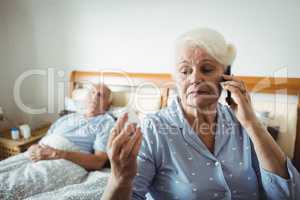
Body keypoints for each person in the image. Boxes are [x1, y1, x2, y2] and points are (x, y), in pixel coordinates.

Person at [101, 28, 300, 200]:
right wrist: (119, 179)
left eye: (206, 69)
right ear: (176, 79)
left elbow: (288, 194)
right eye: (185, 71)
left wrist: (252, 123)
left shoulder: (243, 124)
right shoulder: (154, 129)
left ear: (226, 76)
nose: (195, 78)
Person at [0, 83, 115, 199]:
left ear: (108, 104)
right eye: (92, 92)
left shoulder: (106, 123)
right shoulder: (68, 117)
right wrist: (33, 148)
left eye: (101, 95)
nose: (95, 97)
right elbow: (44, 140)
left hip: (65, 160)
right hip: (38, 153)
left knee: (11, 186)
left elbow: (98, 162)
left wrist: (57, 153)